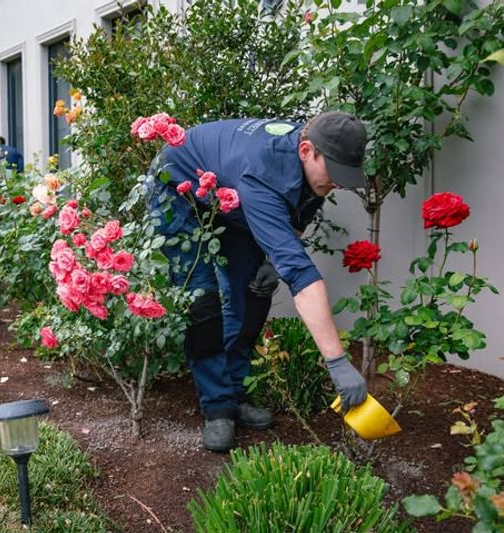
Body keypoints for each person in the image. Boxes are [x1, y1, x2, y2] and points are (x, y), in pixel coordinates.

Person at [148, 112, 369, 452]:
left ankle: (234, 390)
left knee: (255, 289)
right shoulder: (263, 172)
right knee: (202, 298)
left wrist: (269, 262)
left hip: (229, 196)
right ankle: (217, 406)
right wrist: (337, 362)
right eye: (334, 172)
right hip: (177, 189)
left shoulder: (315, 163)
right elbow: (300, 275)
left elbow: (299, 213)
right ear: (307, 150)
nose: (338, 183)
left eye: (345, 174)